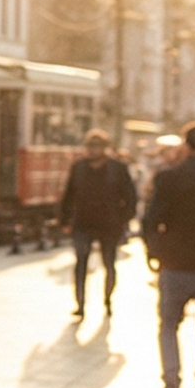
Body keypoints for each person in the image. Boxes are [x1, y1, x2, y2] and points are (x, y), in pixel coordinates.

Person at [143, 121, 195, 388]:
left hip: (175, 261)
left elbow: (151, 219)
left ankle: (171, 383)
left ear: (186, 146)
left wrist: (153, 250)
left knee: (169, 324)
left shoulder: (169, 177)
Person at [58, 131, 138, 320]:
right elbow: (69, 194)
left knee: (109, 263)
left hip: (109, 223)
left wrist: (124, 218)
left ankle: (107, 300)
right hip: (83, 222)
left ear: (105, 148)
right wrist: (64, 219)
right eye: (90, 147)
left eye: (97, 147)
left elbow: (130, 196)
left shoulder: (118, 168)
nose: (93, 151)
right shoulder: (79, 167)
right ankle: (80, 304)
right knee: (81, 262)